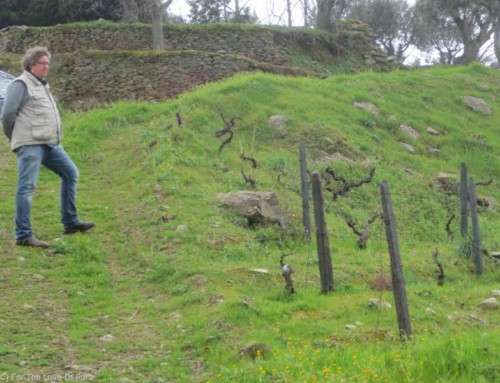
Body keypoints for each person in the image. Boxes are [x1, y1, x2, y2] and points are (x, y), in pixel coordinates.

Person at [1, 46, 94, 249]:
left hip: (49, 143)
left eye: (48, 64)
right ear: (31, 64)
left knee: (70, 173)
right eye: (42, 63)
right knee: (26, 188)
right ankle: (24, 235)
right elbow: (8, 115)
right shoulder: (20, 84)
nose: (46, 67)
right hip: (31, 143)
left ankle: (70, 222)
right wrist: (14, 137)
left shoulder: (42, 84)